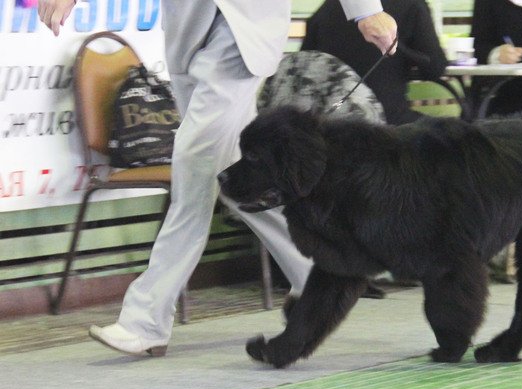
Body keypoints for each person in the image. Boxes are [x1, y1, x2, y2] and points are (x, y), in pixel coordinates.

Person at [38, 0, 397, 357]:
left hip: (243, 32)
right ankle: (322, 274)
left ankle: (144, 319)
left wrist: (365, 10)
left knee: (192, 174)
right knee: (234, 182)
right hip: (188, 35)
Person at [302, 0, 447, 125]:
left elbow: (304, 64)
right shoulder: (413, 5)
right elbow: (435, 68)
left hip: (329, 125)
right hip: (389, 123)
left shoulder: (327, 8)